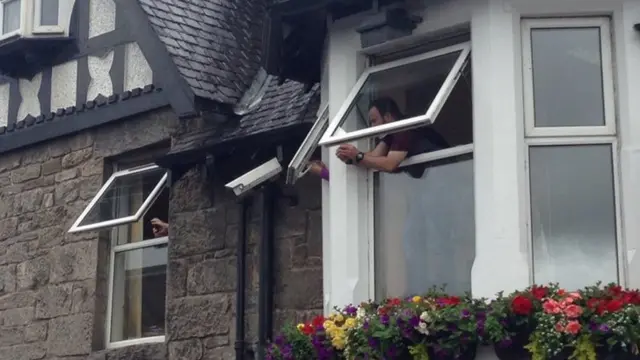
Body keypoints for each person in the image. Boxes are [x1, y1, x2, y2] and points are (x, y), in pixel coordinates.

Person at [308, 97, 447, 180]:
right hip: (430, 177)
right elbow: (375, 155)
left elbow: (389, 164)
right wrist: (350, 158)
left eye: (374, 121)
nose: (372, 127)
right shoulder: (390, 134)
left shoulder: (403, 129)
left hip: (443, 174)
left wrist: (358, 156)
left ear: (387, 117)